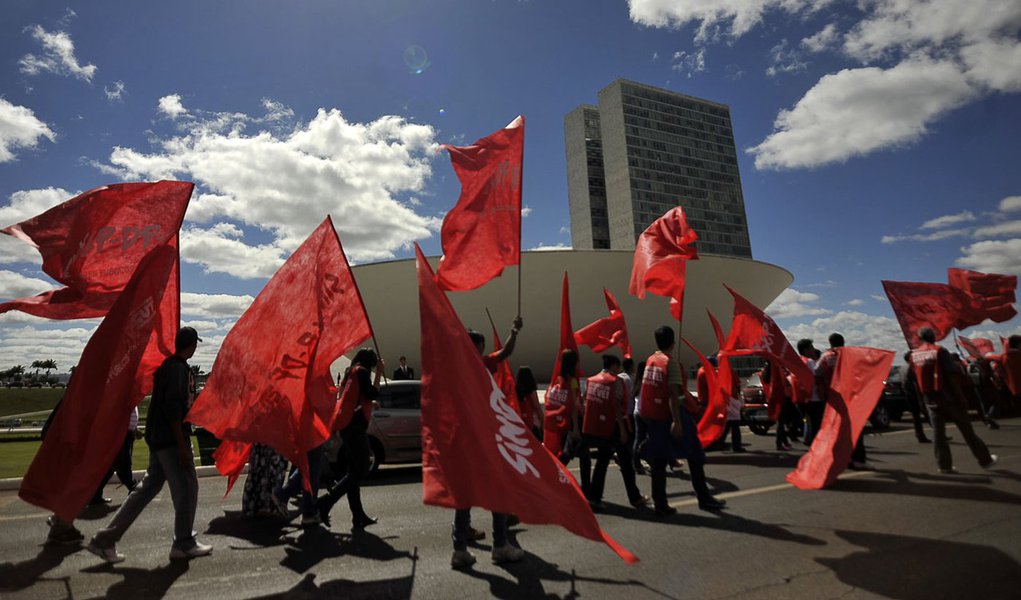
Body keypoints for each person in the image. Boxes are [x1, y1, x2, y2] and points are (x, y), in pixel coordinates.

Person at [87, 327, 212, 563]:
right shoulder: (178, 370)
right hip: (171, 441)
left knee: (145, 491)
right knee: (186, 489)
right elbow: (175, 409)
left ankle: (104, 540)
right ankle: (183, 543)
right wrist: (182, 446)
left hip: (159, 439)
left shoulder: (168, 367)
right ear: (192, 345)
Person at [451, 317, 525, 570]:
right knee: (499, 489)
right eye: (481, 345)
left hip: (462, 441)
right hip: (482, 438)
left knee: (464, 496)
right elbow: (505, 352)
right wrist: (513, 331)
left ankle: (460, 549)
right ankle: (500, 545)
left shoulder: (456, 370)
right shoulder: (479, 365)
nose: (483, 349)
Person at [640, 326, 726, 516]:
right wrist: (677, 422)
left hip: (654, 417)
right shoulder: (670, 363)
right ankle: (704, 498)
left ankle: (660, 503)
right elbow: (674, 394)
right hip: (671, 415)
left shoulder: (650, 361)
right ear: (673, 342)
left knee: (659, 461)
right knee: (695, 455)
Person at [909, 327, 998, 474]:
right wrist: (960, 396)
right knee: (966, 430)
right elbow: (952, 376)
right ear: (934, 337)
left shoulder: (914, 355)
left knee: (938, 433)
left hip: (929, 397)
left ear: (919, 338)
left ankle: (944, 465)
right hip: (948, 395)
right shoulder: (940, 351)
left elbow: (915, 381)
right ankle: (985, 459)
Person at [316, 348, 384, 529]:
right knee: (360, 470)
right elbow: (372, 393)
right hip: (355, 429)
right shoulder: (361, 372)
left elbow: (358, 398)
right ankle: (325, 502)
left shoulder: (351, 372)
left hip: (348, 427)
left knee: (354, 471)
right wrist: (379, 374)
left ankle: (358, 516)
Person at [582, 354, 649, 510]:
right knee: (626, 462)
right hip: (613, 427)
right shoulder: (615, 381)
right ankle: (635, 497)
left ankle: (594, 496)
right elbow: (617, 406)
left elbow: (586, 402)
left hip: (597, 427)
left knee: (603, 461)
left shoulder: (591, 381)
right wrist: (623, 430)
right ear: (613, 366)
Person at [816, 333, 871, 469]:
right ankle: (857, 458)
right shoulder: (849, 356)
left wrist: (824, 394)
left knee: (835, 430)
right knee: (854, 428)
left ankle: (835, 459)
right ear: (843, 342)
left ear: (830, 343)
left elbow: (817, 375)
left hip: (833, 399)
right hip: (850, 397)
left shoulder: (825, 357)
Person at [242, 444, 288, 518]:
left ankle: (254, 506)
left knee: (258, 469)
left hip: (261, 441)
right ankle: (268, 505)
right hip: (276, 442)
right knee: (273, 471)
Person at [797, 339, 825, 444]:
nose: (813, 350)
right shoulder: (810, 362)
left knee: (809, 423)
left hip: (803, 398)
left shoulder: (799, 361)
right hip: (814, 397)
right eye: (811, 347)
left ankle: (810, 442)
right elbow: (817, 378)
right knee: (816, 425)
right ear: (806, 350)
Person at [901, 352, 931, 444]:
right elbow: (915, 382)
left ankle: (920, 435)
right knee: (927, 414)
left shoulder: (902, 367)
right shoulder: (911, 367)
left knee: (916, 417)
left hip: (908, 394)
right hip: (915, 394)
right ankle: (938, 433)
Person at [515, 366, 543, 440]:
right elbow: (537, 407)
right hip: (531, 423)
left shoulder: (516, 391)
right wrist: (543, 421)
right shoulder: (531, 391)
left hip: (521, 422)